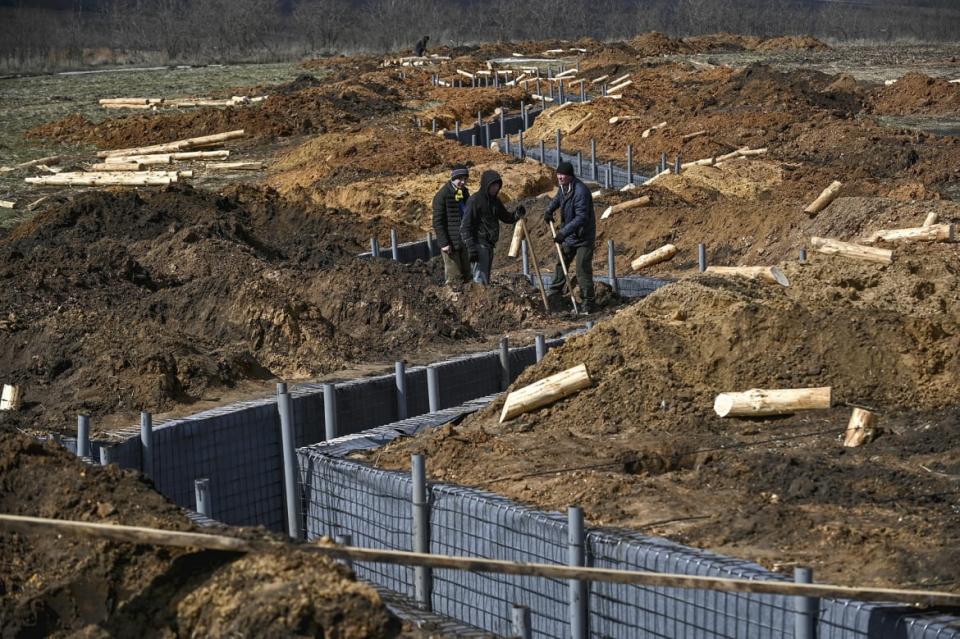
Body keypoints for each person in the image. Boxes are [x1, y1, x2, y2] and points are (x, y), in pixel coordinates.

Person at [543, 160, 597, 314]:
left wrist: (563, 233)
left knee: (582, 269)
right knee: (562, 262)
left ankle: (589, 303)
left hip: (583, 238)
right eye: (558, 174)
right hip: (571, 236)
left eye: (563, 175)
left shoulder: (581, 192)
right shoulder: (563, 187)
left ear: (570, 176)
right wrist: (549, 210)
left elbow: (581, 218)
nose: (559, 177)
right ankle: (554, 294)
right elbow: (558, 199)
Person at [460, 170, 526, 285]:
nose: (495, 188)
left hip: (489, 244)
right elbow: (465, 226)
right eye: (493, 185)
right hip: (479, 243)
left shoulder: (495, 201)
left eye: (497, 186)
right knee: (480, 280)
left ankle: (484, 300)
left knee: (486, 278)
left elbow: (506, 217)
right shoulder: (475, 201)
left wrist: (516, 214)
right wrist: (471, 248)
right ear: (486, 185)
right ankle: (480, 301)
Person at [432, 164, 471, 287]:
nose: (463, 182)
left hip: (464, 241)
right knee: (454, 278)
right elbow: (438, 221)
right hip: (451, 243)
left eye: (465, 179)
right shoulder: (442, 196)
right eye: (460, 179)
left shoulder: (464, 193)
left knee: (468, 275)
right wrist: (444, 243)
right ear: (453, 178)